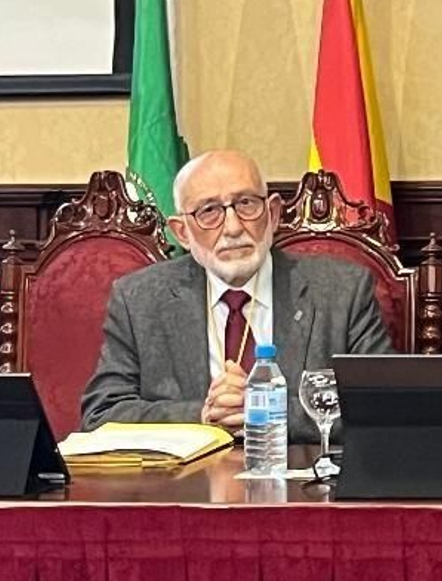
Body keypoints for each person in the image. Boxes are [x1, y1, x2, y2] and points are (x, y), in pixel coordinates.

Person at [81, 150, 393, 435]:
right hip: (185, 491)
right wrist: (202, 415)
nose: (232, 227)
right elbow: (102, 413)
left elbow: (381, 405)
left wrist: (267, 410)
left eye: (246, 204)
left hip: (301, 487)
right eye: (209, 211)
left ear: (272, 215)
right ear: (182, 232)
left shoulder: (342, 290)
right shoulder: (139, 299)